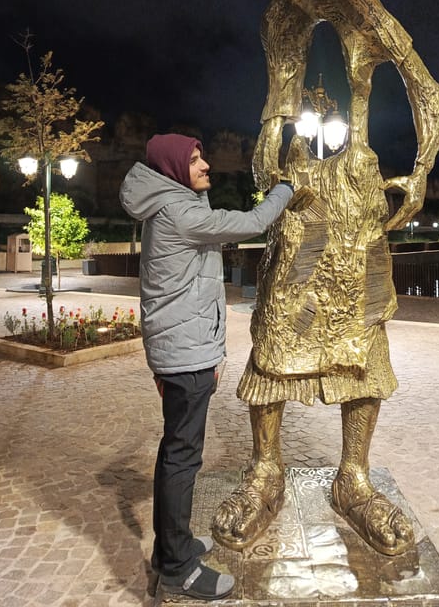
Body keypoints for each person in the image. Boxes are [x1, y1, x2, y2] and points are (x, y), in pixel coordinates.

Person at [179, 0, 439, 558]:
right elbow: (277, 105)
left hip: (358, 188)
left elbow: (424, 82)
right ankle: (265, 470)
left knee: (361, 335)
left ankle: (352, 477)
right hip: (302, 194)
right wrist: (270, 145)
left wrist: (420, 172)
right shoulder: (277, 22)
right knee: (273, 329)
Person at [119, 133, 296, 602]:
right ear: (175, 168)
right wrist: (287, 188)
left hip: (178, 349)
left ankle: (168, 549)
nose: (206, 166)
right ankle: (178, 569)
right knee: (182, 458)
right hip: (186, 353)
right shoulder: (183, 212)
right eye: (195, 161)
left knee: (173, 453)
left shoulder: (169, 204)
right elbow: (254, 222)